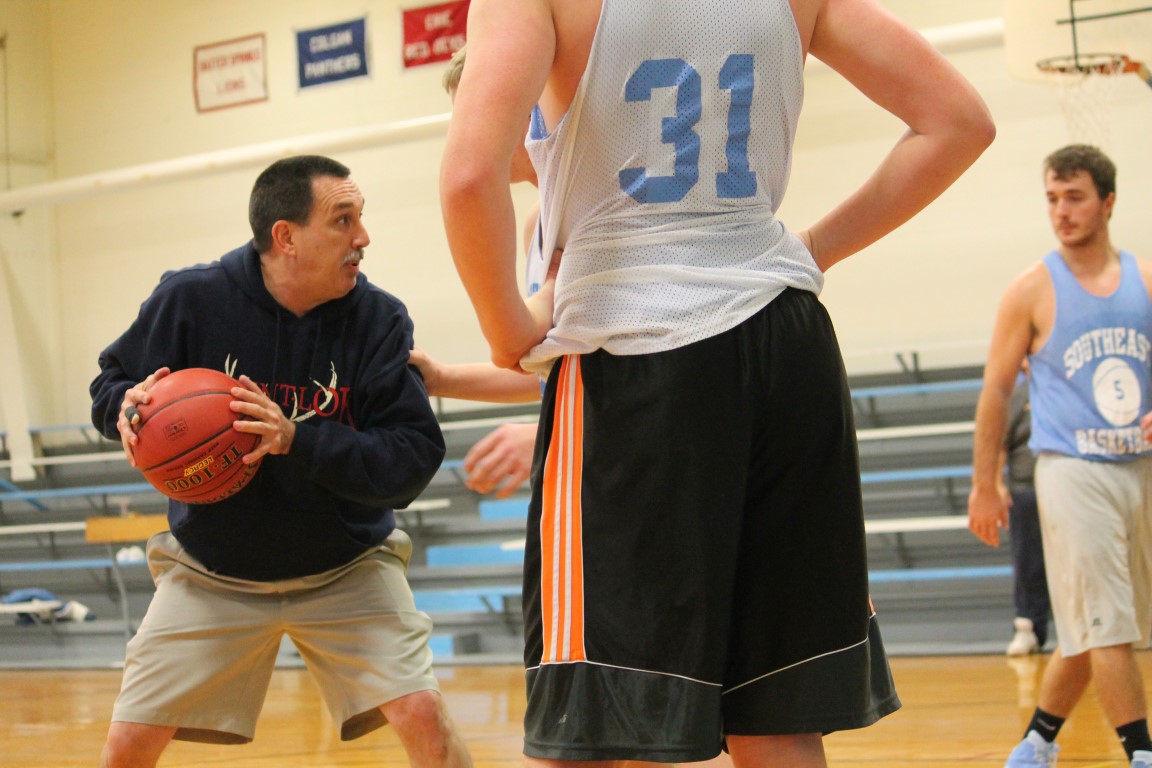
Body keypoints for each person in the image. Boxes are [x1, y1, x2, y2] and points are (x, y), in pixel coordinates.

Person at [440, 1, 995, 766]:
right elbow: (961, 123)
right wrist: (811, 250)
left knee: (595, 722)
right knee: (776, 719)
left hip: (640, 351)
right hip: (788, 338)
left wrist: (506, 329)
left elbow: (468, 176)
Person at [89, 155, 472, 768]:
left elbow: (412, 457)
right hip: (212, 570)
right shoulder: (190, 299)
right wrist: (125, 409)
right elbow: (112, 384)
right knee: (126, 745)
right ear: (285, 237)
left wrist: (298, 439)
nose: (363, 237)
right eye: (343, 220)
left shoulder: (379, 320)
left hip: (346, 565)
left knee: (423, 714)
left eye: (360, 218)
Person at [967, 144, 1152, 768]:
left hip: (1139, 466)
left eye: (1074, 197)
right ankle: (1142, 753)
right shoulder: (1030, 289)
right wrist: (985, 482)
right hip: (1070, 470)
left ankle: (1037, 743)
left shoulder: (1146, 280)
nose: (1061, 211)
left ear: (1108, 202)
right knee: (1107, 621)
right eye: (1052, 198)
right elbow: (996, 390)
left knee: (1094, 623)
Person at [411, 45, 547, 499]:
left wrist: (543, 432)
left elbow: (637, 367)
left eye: (476, 115)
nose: (468, 135)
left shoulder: (598, 208)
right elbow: (550, 370)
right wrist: (440, 378)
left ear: (532, 108)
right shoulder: (537, 223)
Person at [1001, 366, 1052, 657]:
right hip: (1026, 489)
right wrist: (995, 484)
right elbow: (999, 441)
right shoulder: (1016, 395)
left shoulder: (1068, 389)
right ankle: (1028, 627)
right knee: (1028, 561)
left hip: (1067, 486)